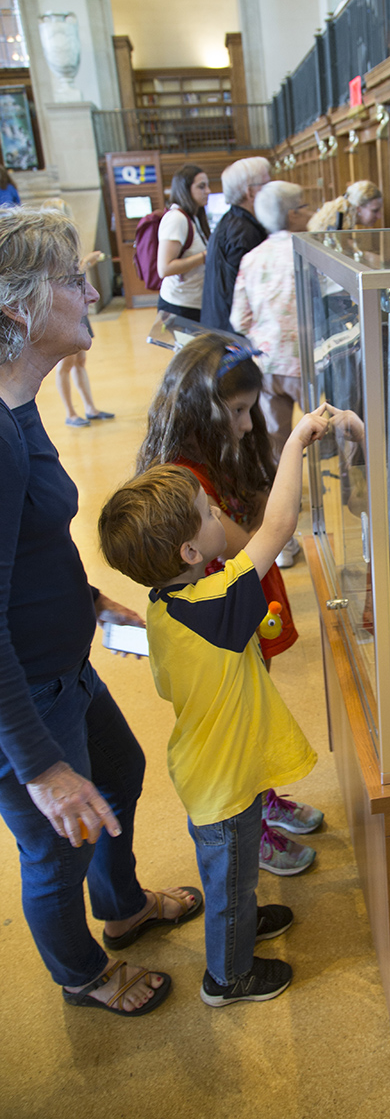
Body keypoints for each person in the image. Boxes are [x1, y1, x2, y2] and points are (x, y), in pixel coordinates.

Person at [0, 206, 202, 1018]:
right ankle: (82, 975)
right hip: (25, 696)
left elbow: (25, 547)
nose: (90, 291)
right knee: (54, 847)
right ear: (17, 307)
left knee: (118, 774)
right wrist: (41, 766)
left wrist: (86, 600)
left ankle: (121, 912)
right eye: (70, 280)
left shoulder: (21, 402)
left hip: (62, 667)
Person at [98, 404, 329, 1006]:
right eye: (207, 516)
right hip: (221, 780)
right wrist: (298, 440)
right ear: (189, 553)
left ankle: (244, 928)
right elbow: (275, 532)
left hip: (214, 767)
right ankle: (228, 977)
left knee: (237, 871)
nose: (217, 517)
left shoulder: (168, 604)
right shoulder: (216, 603)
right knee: (228, 882)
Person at [136, 329, 325, 874]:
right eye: (238, 412)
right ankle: (252, 823)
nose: (246, 423)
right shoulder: (184, 477)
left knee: (256, 703)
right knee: (241, 723)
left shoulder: (220, 451)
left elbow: (259, 511)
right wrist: (281, 473)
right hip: (226, 615)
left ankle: (263, 799)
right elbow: (260, 534)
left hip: (244, 603)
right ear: (203, 411)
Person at [229, 180, 312, 570]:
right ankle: (363, 531)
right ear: (293, 213)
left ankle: (283, 546)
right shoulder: (313, 253)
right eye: (305, 206)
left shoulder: (252, 257)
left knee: (275, 451)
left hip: (266, 367)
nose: (310, 212)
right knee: (339, 441)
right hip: (313, 365)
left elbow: (239, 318)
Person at [200, 156, 271, 331]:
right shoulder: (243, 232)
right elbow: (251, 291)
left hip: (222, 325)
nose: (272, 192)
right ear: (251, 193)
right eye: (267, 185)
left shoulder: (233, 221)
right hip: (233, 333)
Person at [55, 249, 115, 427]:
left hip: (78, 310)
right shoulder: (53, 259)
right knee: (65, 364)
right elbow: (65, 280)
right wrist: (86, 262)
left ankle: (90, 408)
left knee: (80, 360)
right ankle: (70, 413)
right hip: (65, 313)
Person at [157, 162, 210, 321]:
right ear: (185, 190)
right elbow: (164, 268)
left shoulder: (194, 217)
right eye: (201, 187)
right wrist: (204, 256)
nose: (208, 191)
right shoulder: (176, 219)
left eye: (207, 186)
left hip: (193, 303)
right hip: (179, 306)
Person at [307, 180, 382, 232]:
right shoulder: (341, 232)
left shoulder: (339, 221)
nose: (379, 216)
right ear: (358, 209)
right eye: (375, 211)